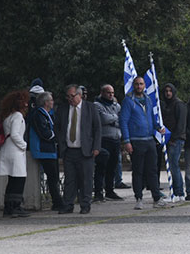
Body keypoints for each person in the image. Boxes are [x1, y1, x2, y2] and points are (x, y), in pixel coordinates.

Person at [119, 77, 167, 209]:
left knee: (152, 170)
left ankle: (156, 198)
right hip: (136, 140)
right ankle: (139, 198)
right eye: (137, 84)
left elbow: (151, 117)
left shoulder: (148, 99)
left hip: (149, 139)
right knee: (138, 171)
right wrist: (127, 141)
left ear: (144, 85)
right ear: (133, 85)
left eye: (141, 84)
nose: (139, 86)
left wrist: (158, 127)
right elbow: (123, 121)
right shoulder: (128, 101)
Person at [55, 84, 101, 214]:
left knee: (86, 179)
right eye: (68, 97)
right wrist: (61, 143)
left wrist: (96, 147)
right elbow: (57, 127)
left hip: (86, 150)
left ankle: (85, 204)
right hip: (69, 150)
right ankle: (68, 204)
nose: (70, 99)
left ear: (79, 95)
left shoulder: (90, 108)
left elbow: (97, 129)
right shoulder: (63, 109)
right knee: (69, 179)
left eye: (72, 96)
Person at [0, 90, 30, 218]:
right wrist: (24, 145)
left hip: (7, 149)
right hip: (16, 151)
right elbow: (15, 134)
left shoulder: (7, 116)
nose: (27, 105)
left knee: (12, 180)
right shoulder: (17, 116)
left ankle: (8, 206)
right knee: (19, 179)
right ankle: (16, 206)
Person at [29, 91, 64, 210]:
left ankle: (57, 201)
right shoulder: (38, 114)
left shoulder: (47, 114)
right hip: (43, 150)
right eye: (51, 100)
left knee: (54, 176)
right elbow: (44, 132)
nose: (53, 102)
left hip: (51, 150)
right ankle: (57, 201)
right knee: (52, 177)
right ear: (46, 102)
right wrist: (56, 137)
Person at [93, 84, 123, 201]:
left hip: (116, 139)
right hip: (104, 139)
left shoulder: (117, 106)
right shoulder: (97, 105)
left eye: (112, 93)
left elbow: (122, 120)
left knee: (112, 167)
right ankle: (98, 192)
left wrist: (112, 119)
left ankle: (110, 190)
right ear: (102, 93)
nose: (111, 95)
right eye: (108, 92)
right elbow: (102, 119)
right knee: (101, 167)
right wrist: (115, 118)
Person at [160, 83, 187, 202]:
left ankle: (178, 192)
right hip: (169, 139)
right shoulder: (166, 105)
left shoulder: (179, 104)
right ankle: (177, 192)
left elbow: (181, 124)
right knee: (171, 165)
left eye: (170, 91)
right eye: (166, 91)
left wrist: (173, 138)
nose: (168, 93)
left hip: (175, 139)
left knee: (173, 165)